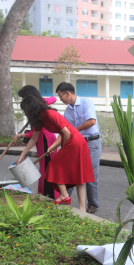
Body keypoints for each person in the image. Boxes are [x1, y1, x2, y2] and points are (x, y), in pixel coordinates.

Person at [17, 96, 94, 212]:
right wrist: (22, 155)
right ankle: (82, 209)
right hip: (71, 140)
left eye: (25, 110)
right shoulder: (39, 120)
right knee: (79, 175)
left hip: (74, 141)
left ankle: (64, 195)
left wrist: (57, 147)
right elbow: (34, 139)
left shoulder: (50, 114)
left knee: (54, 165)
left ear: (31, 109)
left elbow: (66, 133)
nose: (25, 113)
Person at [55, 82, 102, 214]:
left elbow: (91, 121)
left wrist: (74, 130)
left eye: (60, 96)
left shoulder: (87, 103)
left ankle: (93, 204)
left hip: (92, 142)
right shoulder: (67, 110)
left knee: (91, 174)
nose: (60, 99)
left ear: (67, 93)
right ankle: (65, 198)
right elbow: (65, 131)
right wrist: (58, 147)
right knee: (72, 170)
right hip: (76, 143)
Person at [13, 85, 59, 200]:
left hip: (47, 140)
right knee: (44, 168)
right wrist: (21, 155)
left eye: (24, 97)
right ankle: (45, 195)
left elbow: (54, 98)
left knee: (48, 169)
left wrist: (41, 103)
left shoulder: (41, 110)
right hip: (42, 139)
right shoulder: (34, 113)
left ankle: (51, 196)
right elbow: (33, 136)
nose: (24, 100)